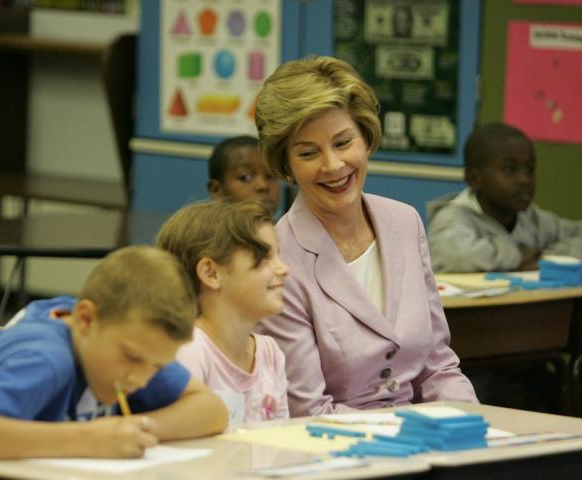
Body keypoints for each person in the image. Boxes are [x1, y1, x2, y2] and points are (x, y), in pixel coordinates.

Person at [254, 55, 477, 417]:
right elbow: (307, 408)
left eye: (343, 143)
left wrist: (474, 425)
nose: (333, 165)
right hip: (337, 452)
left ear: (366, 138)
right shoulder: (279, 258)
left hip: (421, 442)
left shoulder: (404, 222)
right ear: (287, 165)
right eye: (309, 153)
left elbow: (437, 368)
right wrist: (404, 439)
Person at [0, 246, 228, 472]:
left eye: (156, 366)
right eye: (132, 358)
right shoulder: (47, 357)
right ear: (86, 319)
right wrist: (90, 439)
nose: (140, 379)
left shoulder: (128, 346)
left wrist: (131, 432)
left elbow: (211, 410)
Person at [157, 200, 290, 425]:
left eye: (278, 255)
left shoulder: (270, 353)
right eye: (265, 257)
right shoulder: (189, 351)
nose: (284, 269)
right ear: (211, 273)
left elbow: (279, 442)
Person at [427, 122, 582, 273]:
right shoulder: (452, 218)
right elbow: (454, 255)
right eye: (510, 169)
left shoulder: (532, 219)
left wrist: (545, 257)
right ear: (474, 178)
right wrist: (517, 256)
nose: (525, 179)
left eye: (529, 168)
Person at [207, 135, 281, 215]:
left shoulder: (284, 226)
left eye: (270, 176)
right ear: (216, 190)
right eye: (246, 177)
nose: (263, 185)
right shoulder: (203, 227)